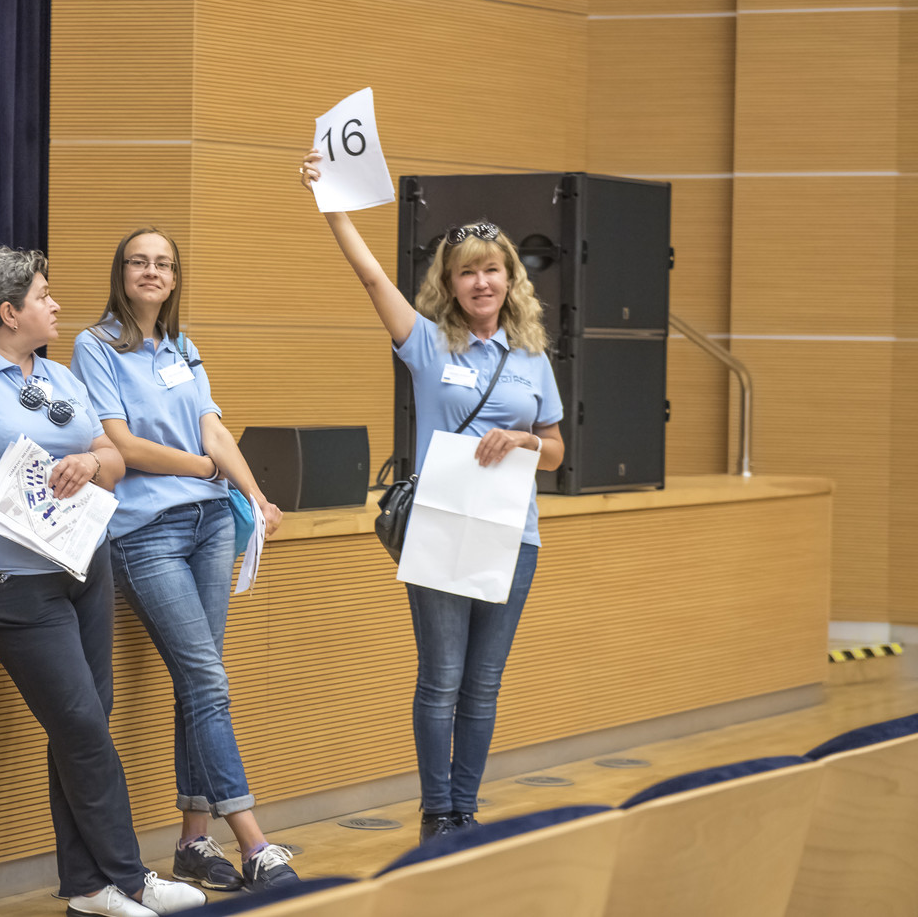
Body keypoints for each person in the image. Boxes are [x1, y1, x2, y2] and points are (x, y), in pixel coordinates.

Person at [0, 247, 205, 917]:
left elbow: (112, 457)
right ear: (10, 312)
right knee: (81, 725)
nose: (56, 304)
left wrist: (90, 466)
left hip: (84, 564)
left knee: (85, 725)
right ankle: (129, 878)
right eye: (43, 295)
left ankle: (89, 889)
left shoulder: (59, 375)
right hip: (9, 581)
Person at [300, 151, 564, 843]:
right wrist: (334, 208)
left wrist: (525, 441)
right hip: (442, 528)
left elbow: (557, 449)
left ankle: (466, 809)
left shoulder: (533, 358)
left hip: (513, 535)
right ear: (449, 283)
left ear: (510, 278)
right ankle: (436, 811)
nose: (481, 281)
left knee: (484, 682)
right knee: (441, 678)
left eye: (492, 269)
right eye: (467, 271)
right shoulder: (426, 344)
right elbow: (371, 277)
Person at [69, 228, 299, 893]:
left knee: (199, 682)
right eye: (139, 261)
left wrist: (254, 495)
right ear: (121, 273)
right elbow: (119, 445)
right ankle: (254, 843)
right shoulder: (94, 345)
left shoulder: (182, 346)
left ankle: (194, 842)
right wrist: (203, 469)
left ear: (174, 278)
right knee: (206, 679)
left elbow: (213, 429)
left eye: (163, 263)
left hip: (211, 525)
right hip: (146, 532)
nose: (151, 271)